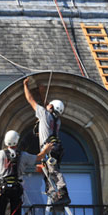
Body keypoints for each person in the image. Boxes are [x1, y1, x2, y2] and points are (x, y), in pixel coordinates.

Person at [23, 76, 71, 206]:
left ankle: (62, 191)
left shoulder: (44, 114)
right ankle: (53, 192)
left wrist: (25, 85)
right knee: (50, 170)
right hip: (56, 147)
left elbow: (30, 100)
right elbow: (47, 106)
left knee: (53, 170)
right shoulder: (57, 120)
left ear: (51, 107)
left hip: (49, 148)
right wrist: (42, 92)